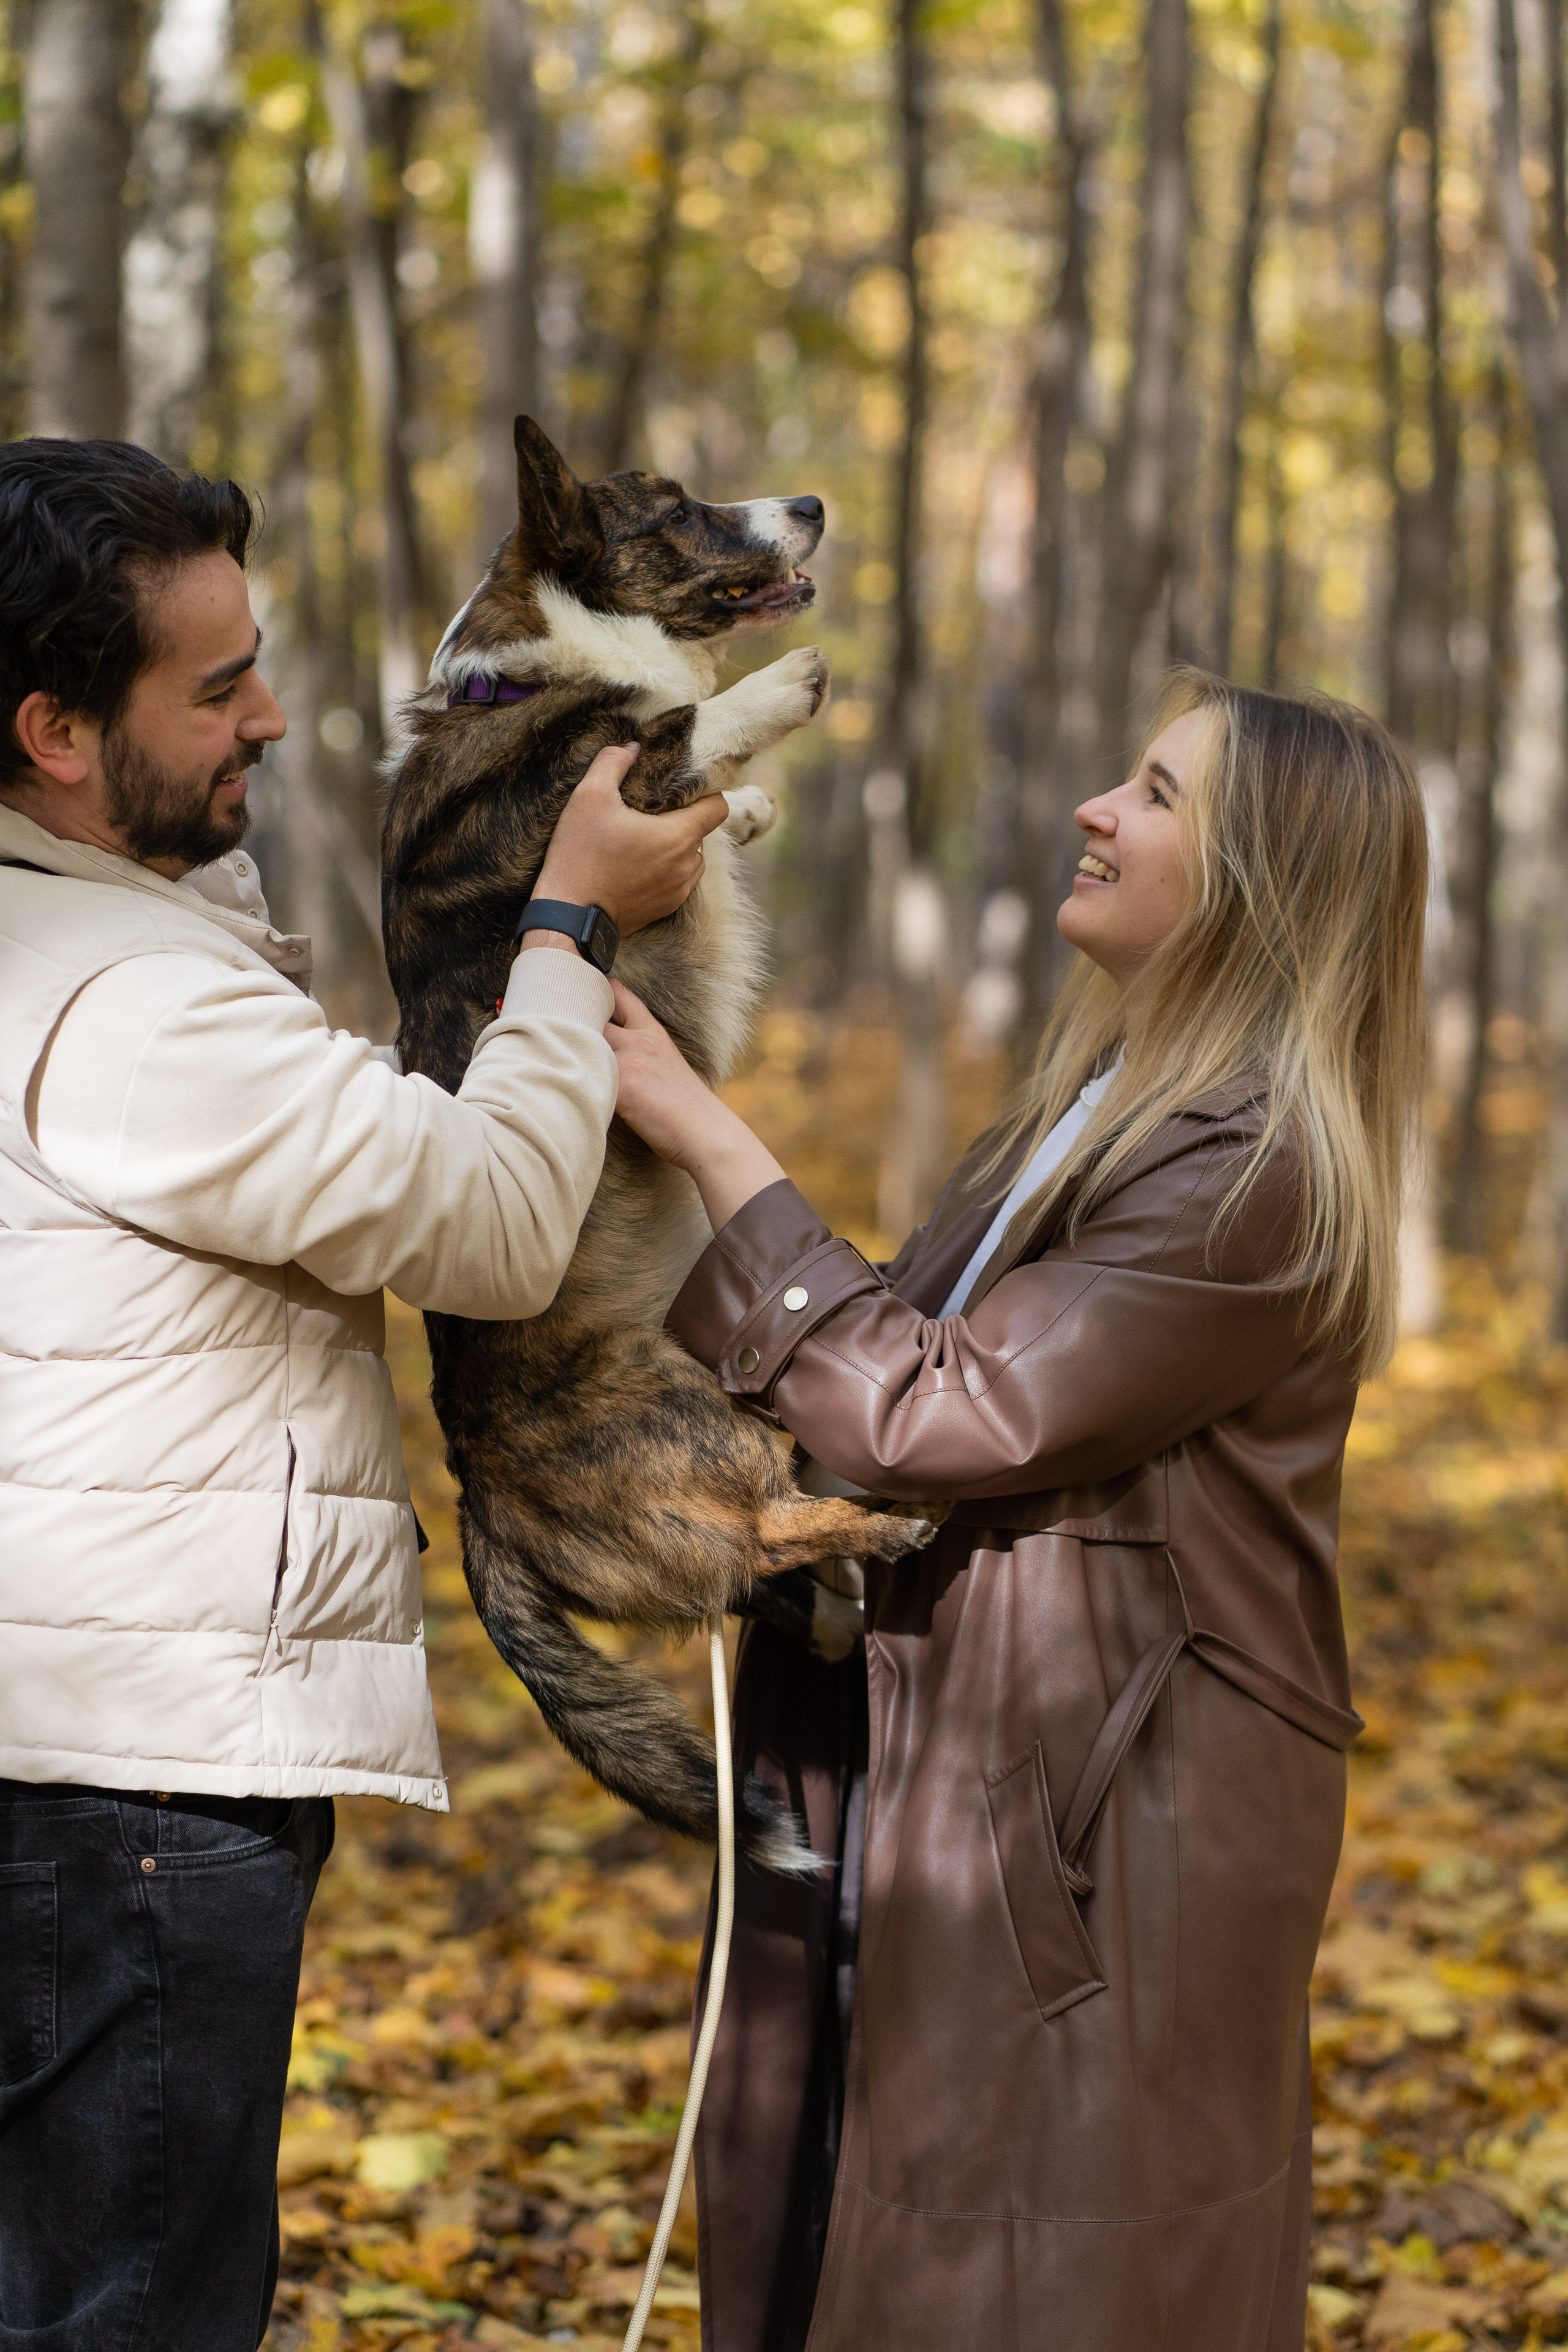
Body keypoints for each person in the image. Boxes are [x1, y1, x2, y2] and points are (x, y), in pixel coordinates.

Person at [0, 437, 725, 2350]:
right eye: (217, 687)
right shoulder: (134, 1006)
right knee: (134, 2311)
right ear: (56, 734)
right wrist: (565, 927)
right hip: (131, 1790)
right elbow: (491, 1227)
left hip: (61, 1747)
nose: (272, 717)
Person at [606, 673, 1427, 2352]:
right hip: (949, 1786)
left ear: (1263, 883)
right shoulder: (1092, 1118)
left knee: (1043, 2279)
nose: (1093, 810)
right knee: (866, 2241)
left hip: (1094, 1843)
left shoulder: (1254, 1167)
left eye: (1157, 795)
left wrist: (704, 1131)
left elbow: (943, 1407)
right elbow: (874, 1384)